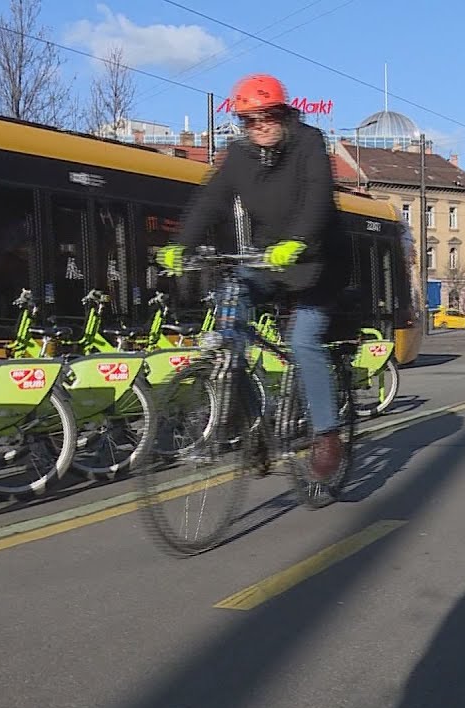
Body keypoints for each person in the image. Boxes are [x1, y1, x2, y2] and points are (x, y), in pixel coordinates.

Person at [157, 73, 348, 481]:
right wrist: (180, 243)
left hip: (317, 261)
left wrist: (298, 240)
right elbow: (210, 198)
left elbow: (318, 197)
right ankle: (254, 424)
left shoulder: (309, 142)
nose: (258, 126)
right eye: (248, 120)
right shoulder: (239, 155)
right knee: (229, 318)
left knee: (302, 341)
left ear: (282, 114)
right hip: (266, 259)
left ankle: (327, 435)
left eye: (266, 117)